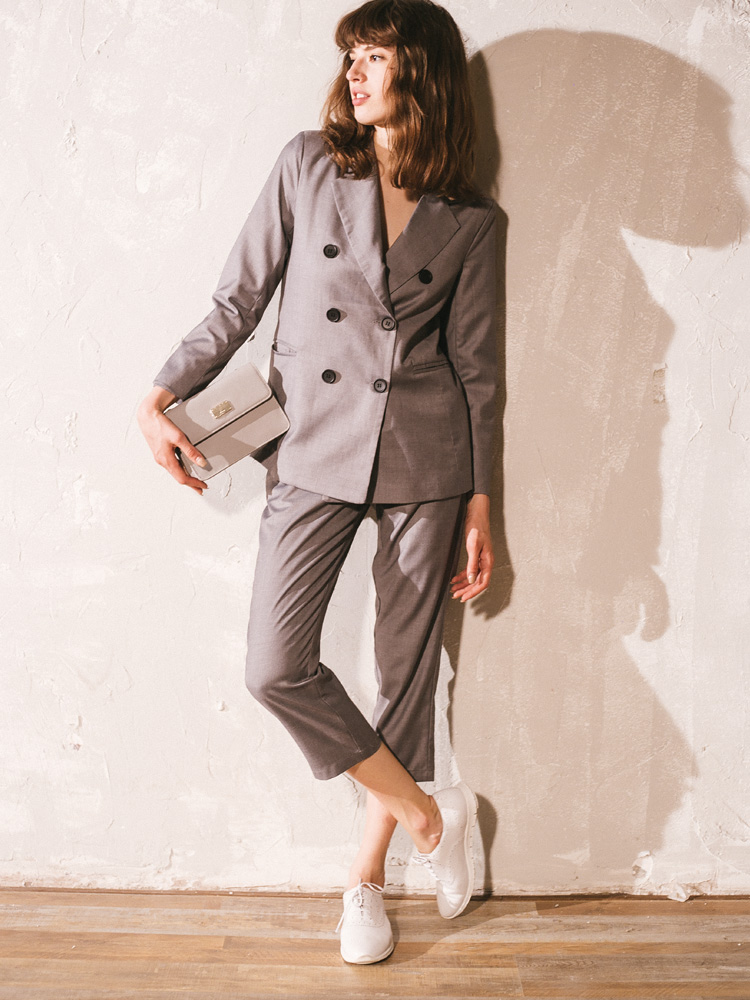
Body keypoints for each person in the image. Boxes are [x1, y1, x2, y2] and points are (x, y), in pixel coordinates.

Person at [137, 0, 497, 966]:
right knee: (274, 665)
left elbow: (477, 371)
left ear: (421, 70)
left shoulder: (472, 219)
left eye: (376, 55)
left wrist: (480, 500)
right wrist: (164, 392)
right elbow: (239, 298)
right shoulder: (309, 163)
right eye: (352, 57)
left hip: (427, 458)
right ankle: (428, 815)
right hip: (310, 448)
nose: (356, 73)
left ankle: (365, 878)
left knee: (405, 670)